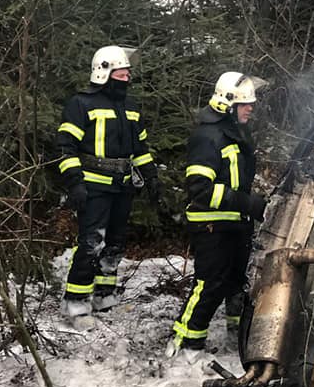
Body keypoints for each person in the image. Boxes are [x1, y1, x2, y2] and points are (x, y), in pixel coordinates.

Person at [166, 72, 267, 361]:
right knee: (210, 282)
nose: (251, 108)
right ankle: (186, 341)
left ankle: (238, 337)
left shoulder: (237, 131)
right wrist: (247, 203)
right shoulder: (207, 136)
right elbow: (200, 189)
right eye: (245, 104)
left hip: (235, 222)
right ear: (227, 104)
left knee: (237, 281)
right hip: (211, 223)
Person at [57, 46, 160, 318]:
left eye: (127, 75)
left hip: (123, 185)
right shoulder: (81, 104)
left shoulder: (131, 107)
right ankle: (76, 301)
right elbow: (66, 147)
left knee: (115, 242)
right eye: (122, 75)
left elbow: (140, 148)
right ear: (104, 72)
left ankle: (104, 294)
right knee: (92, 242)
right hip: (93, 185)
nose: (127, 80)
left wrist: (151, 176)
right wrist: (75, 183)